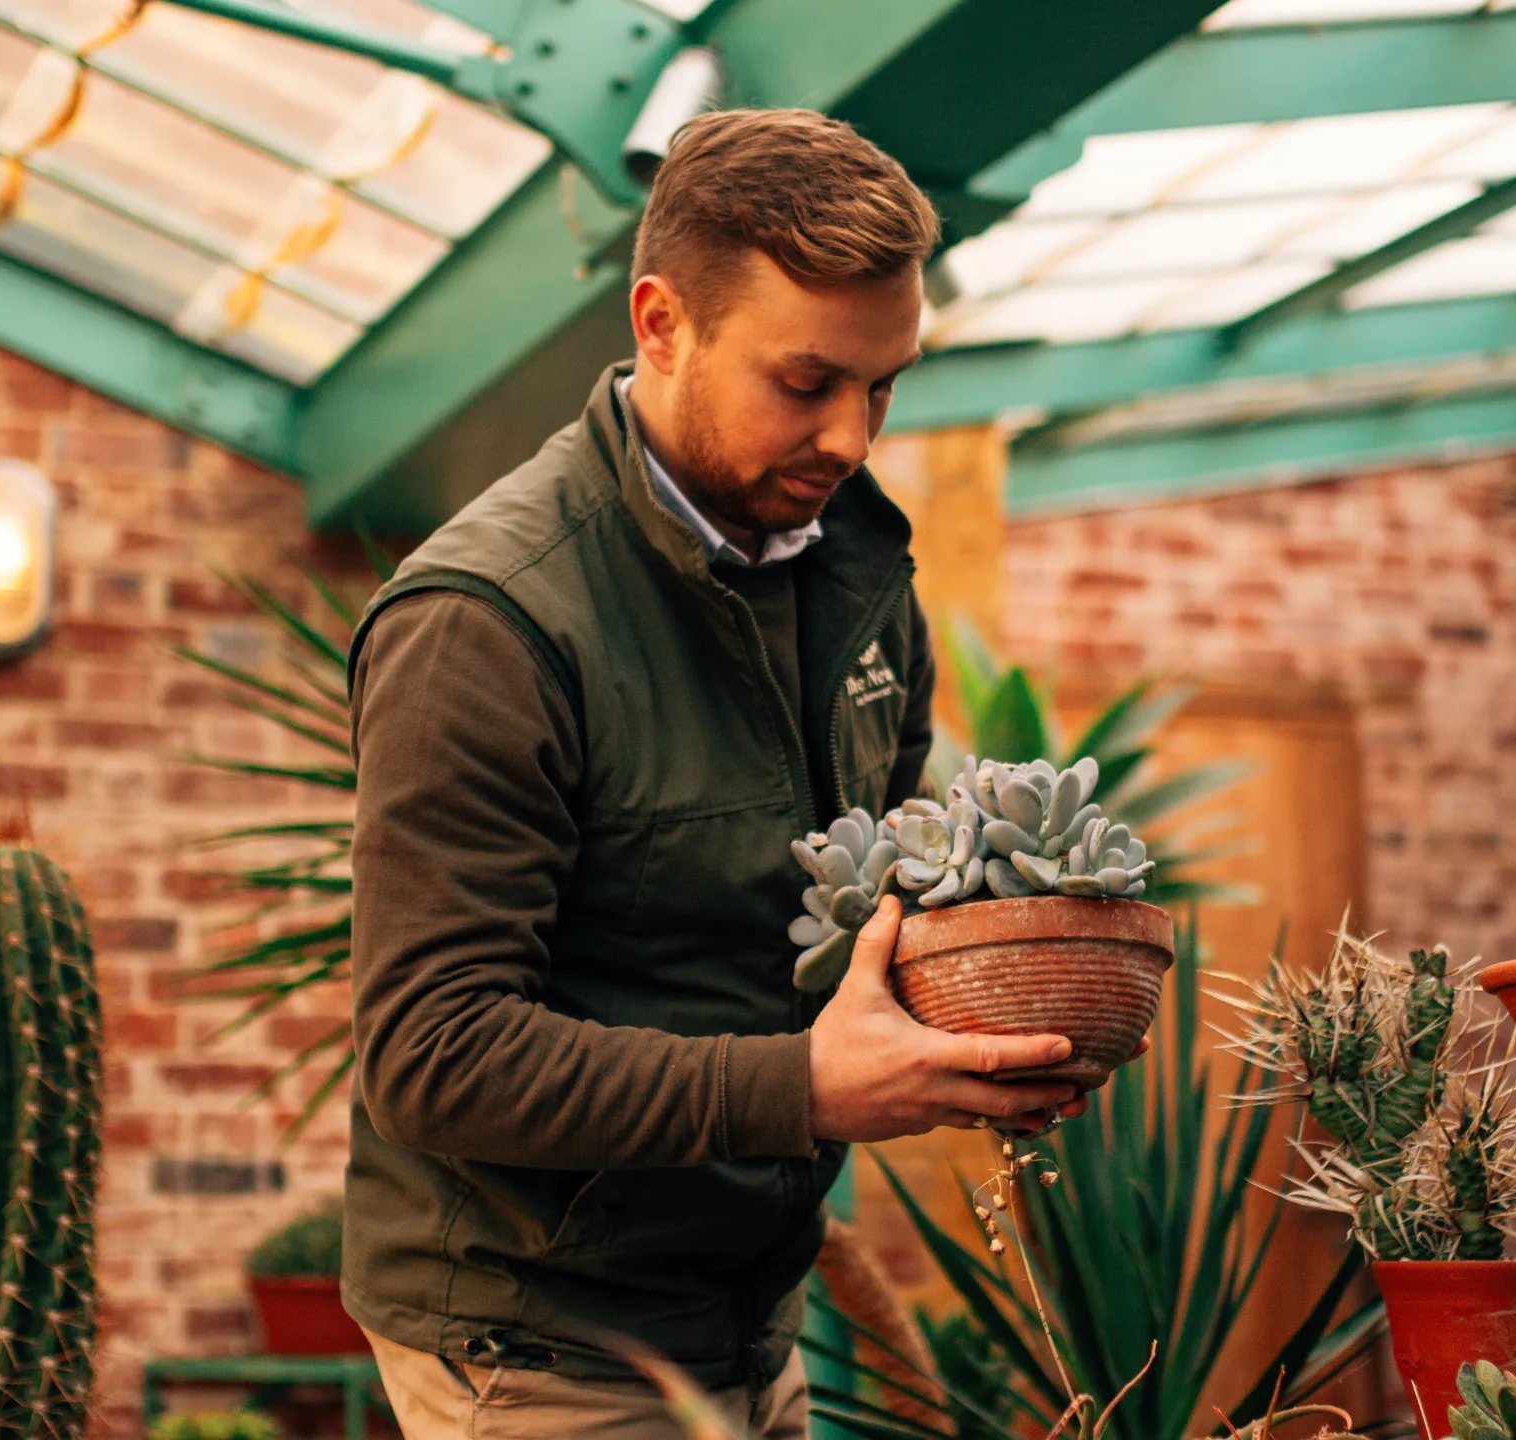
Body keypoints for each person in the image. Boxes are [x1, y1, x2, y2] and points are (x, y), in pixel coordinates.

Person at [342, 108, 1084, 1439]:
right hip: (540, 1349)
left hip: (751, 1325)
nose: (853, 438)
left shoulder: (861, 577)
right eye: (806, 383)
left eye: (885, 385)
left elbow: (867, 917)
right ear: (660, 323)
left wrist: (993, 1016)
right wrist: (803, 1092)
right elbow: (431, 1056)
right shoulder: (486, 620)